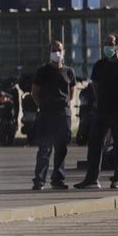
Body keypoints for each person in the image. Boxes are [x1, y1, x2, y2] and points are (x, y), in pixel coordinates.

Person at [75, 33, 118, 190]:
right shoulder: (99, 65)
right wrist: (99, 99)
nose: (108, 47)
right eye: (106, 44)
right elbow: (95, 84)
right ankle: (92, 179)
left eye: (111, 43)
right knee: (95, 143)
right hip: (102, 109)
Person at [30, 40, 76, 190]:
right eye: (54, 50)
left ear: (64, 52)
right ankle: (39, 180)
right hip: (47, 113)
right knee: (45, 147)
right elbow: (34, 92)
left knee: (61, 148)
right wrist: (41, 105)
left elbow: (72, 89)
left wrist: (68, 102)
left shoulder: (69, 71)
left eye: (59, 50)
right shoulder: (43, 71)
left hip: (63, 113)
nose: (57, 53)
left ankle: (58, 179)